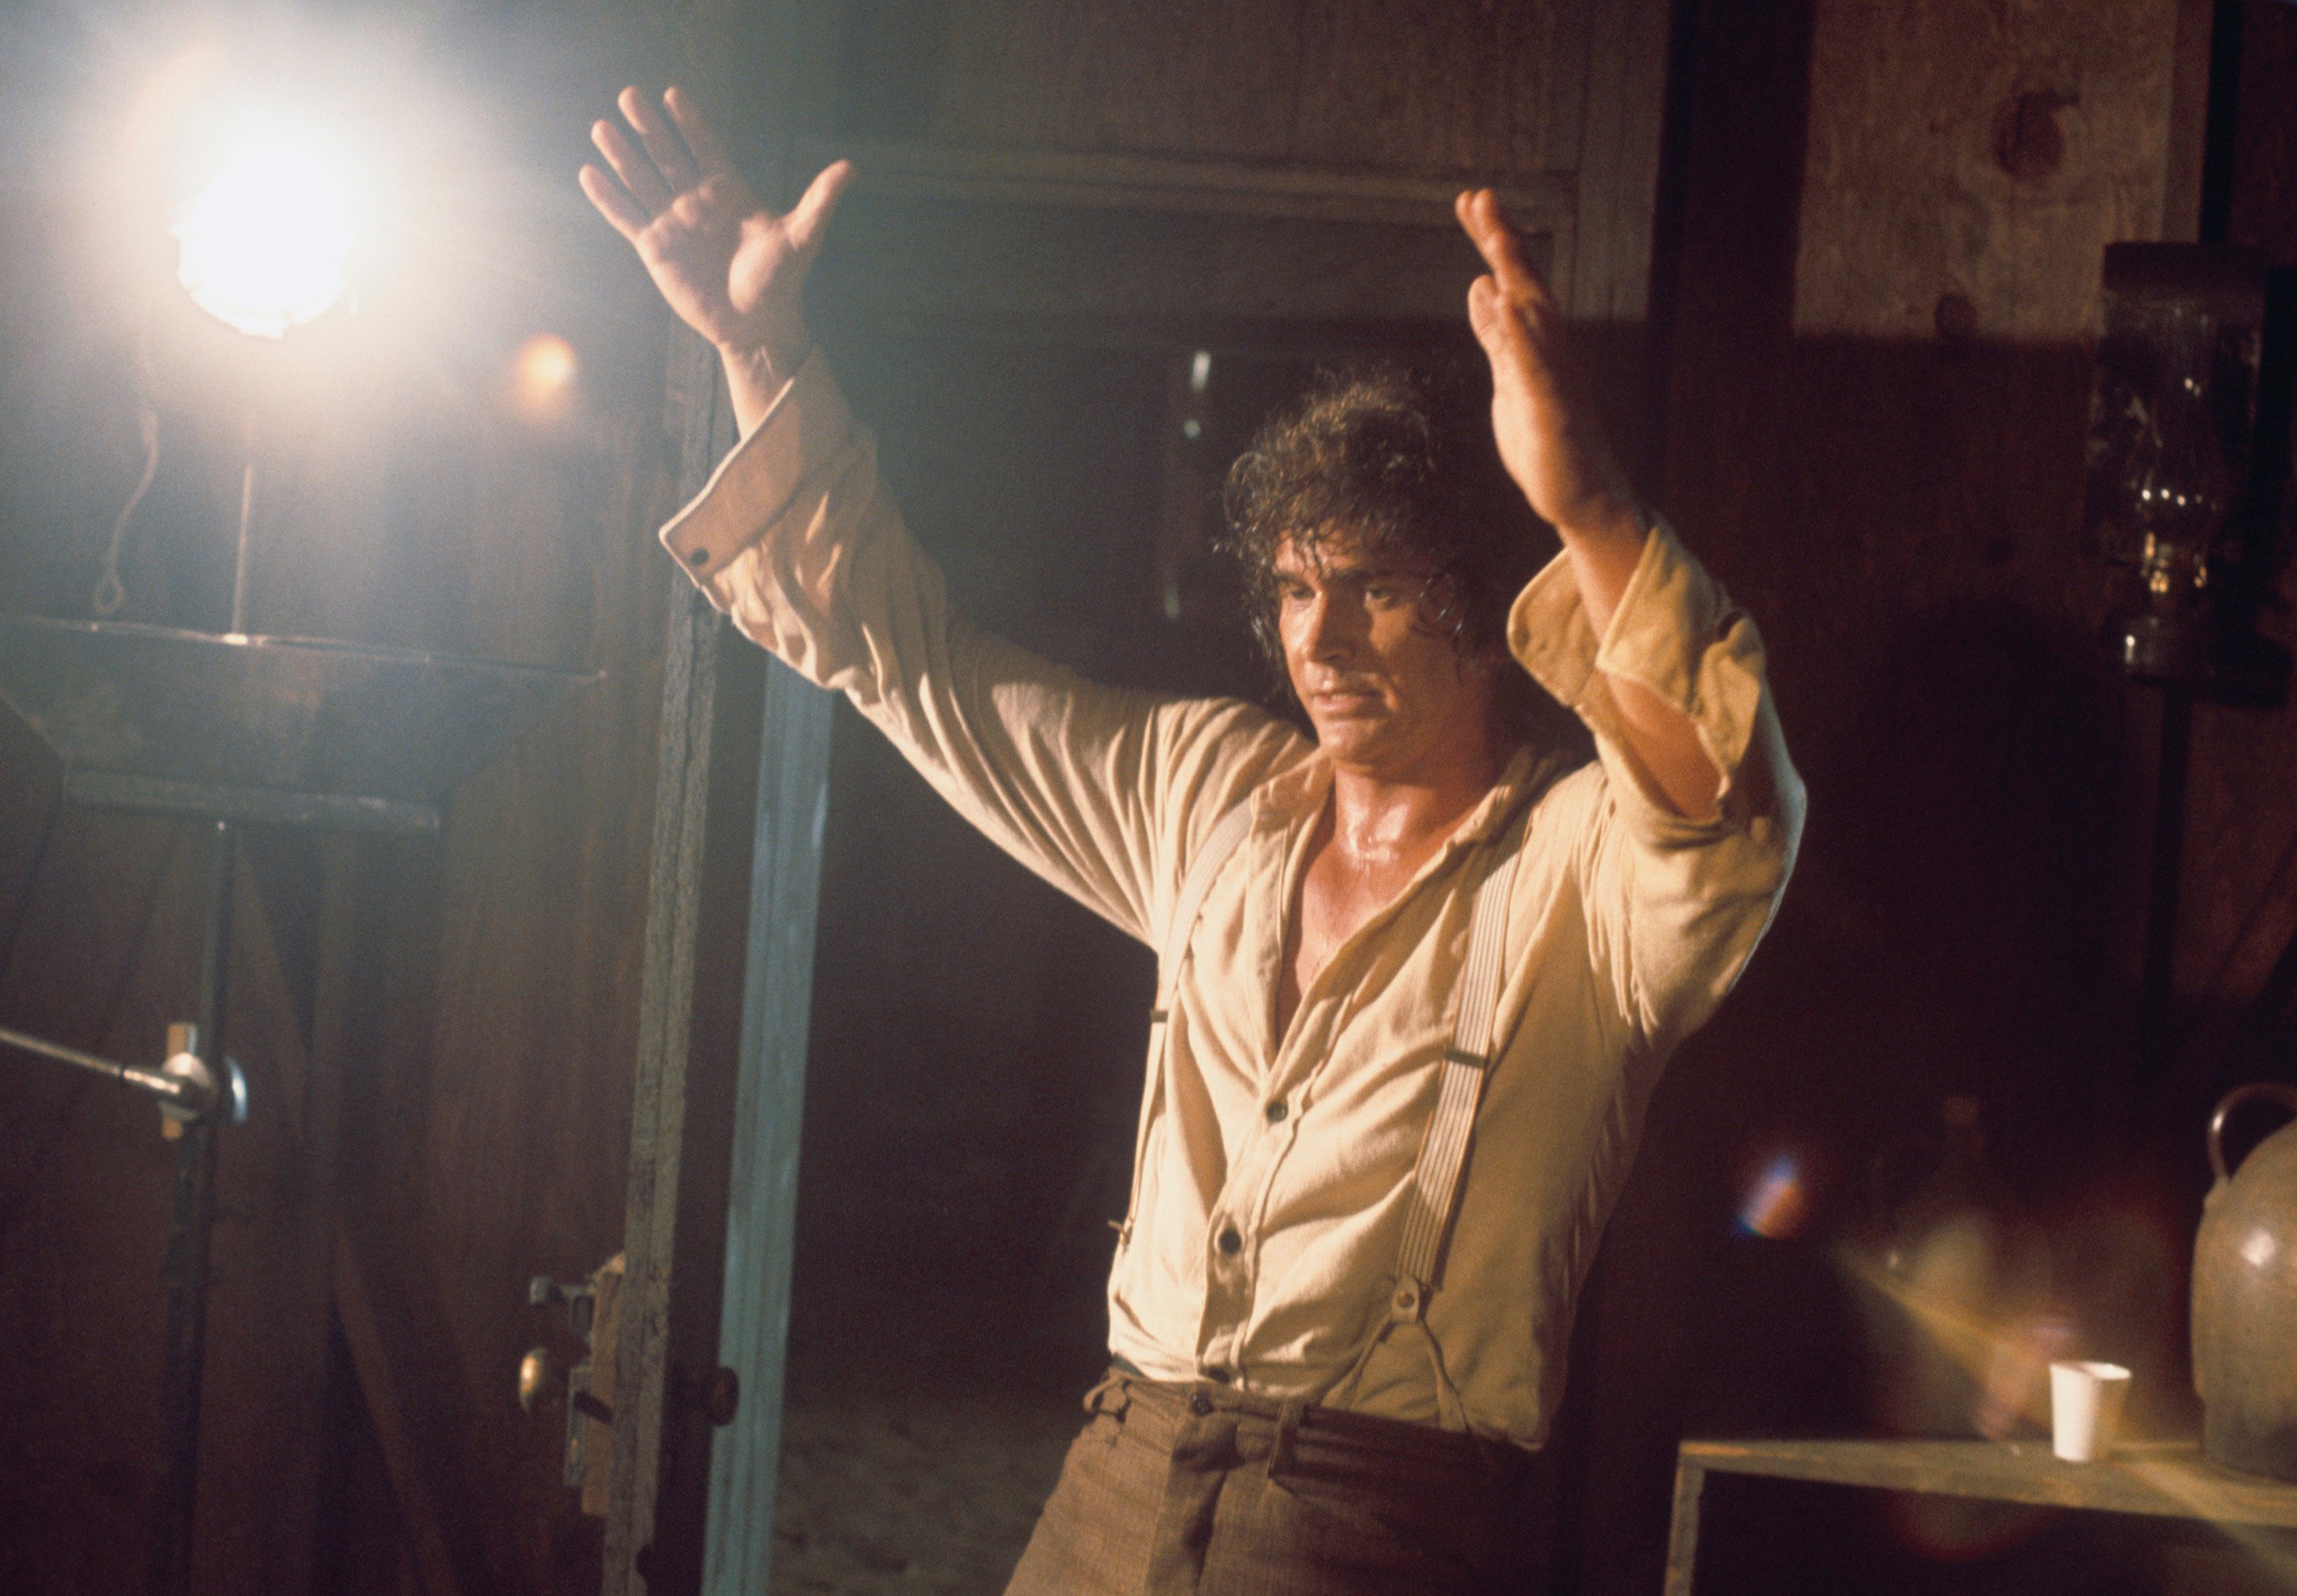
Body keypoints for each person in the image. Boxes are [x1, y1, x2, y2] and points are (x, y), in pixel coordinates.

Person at [582, 85, 1803, 1595]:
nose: (1321, 640)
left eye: (1375, 588)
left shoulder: (1580, 873)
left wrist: (1591, 509)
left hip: (1373, 1518)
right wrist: (758, 346)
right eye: (1294, 589)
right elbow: (914, 665)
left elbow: (1725, 814)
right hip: (1120, 1463)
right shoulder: (1213, 793)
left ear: (1485, 617)